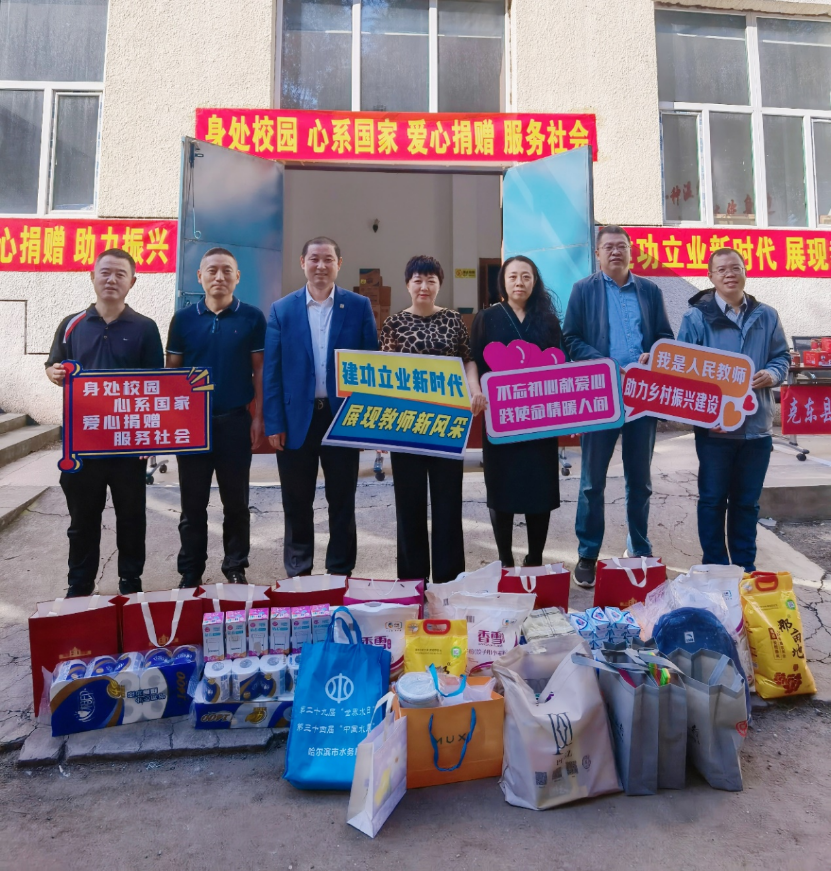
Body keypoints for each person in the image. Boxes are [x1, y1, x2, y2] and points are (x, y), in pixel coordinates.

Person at [45, 249, 164, 597]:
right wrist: (53, 372)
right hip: (82, 445)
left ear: (132, 282)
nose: (112, 280)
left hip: (128, 444)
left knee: (131, 517)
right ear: (92, 276)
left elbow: (155, 386)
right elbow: (54, 365)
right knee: (82, 520)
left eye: (120, 274)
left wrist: (149, 442)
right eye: (105, 272)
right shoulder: (71, 325)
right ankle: (79, 583)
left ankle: (130, 580)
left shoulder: (145, 328)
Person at [563, 226, 674, 588]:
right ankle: (587, 553)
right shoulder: (583, 290)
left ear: (630, 251)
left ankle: (639, 547)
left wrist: (653, 355)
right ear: (597, 254)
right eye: (608, 247)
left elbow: (665, 337)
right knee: (592, 482)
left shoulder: (650, 290)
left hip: (642, 397)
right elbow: (571, 339)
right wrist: (604, 363)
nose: (615, 252)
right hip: (601, 396)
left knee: (639, 480)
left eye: (621, 246)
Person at [263, 237, 378, 577]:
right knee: (297, 500)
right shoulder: (282, 309)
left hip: (341, 417)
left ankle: (340, 569)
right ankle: (299, 570)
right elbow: (272, 372)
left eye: (328, 259)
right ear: (303, 263)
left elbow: (370, 365)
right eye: (314, 259)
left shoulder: (358, 306)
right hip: (296, 418)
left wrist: (368, 422)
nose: (321, 266)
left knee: (342, 499)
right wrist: (274, 422)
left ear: (339, 264)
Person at [677, 247, 789, 571]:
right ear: (710, 276)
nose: (729, 274)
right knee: (713, 501)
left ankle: (743, 568)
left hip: (756, 428)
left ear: (745, 272)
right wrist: (704, 414)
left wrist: (773, 374)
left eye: (735, 267)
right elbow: (682, 371)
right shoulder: (696, 317)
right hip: (715, 431)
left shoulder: (767, 315)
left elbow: (781, 356)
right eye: (722, 269)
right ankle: (714, 568)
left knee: (746, 503)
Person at [380, 255, 486, 582]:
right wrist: (380, 427)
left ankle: (449, 581)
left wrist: (474, 389)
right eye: (418, 280)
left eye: (431, 280)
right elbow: (383, 373)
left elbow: (467, 360)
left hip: (447, 426)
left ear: (440, 284)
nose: (424, 286)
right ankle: (412, 582)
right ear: (407, 285)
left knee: (448, 506)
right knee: (409, 506)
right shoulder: (394, 324)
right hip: (405, 428)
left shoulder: (453, 320)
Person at [166, 248, 266, 587]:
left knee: (236, 502)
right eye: (212, 270)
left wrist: (258, 417)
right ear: (200, 276)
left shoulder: (252, 318)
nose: (219, 277)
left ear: (238, 277)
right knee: (192, 504)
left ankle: (235, 567)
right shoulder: (183, 319)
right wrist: (171, 423)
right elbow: (171, 372)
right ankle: (190, 571)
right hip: (192, 425)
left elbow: (259, 370)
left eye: (226, 270)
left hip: (235, 421)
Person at [470, 256, 563, 567]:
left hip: (540, 419)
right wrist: (477, 391)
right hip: (501, 418)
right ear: (503, 282)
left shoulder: (548, 321)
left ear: (534, 282)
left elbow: (561, 366)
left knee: (540, 489)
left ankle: (535, 558)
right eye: (513, 277)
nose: (519, 282)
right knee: (501, 488)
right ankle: (505, 559)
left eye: (526, 276)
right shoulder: (487, 318)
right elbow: (474, 361)